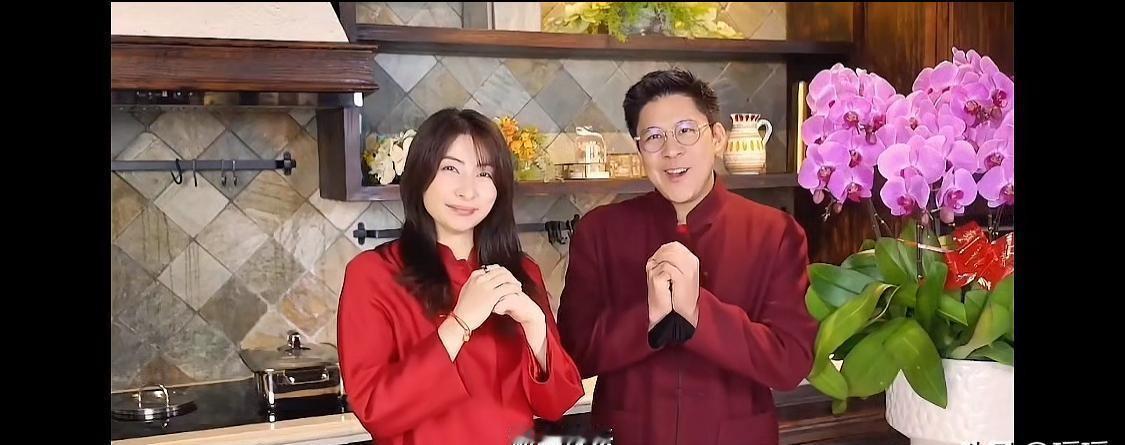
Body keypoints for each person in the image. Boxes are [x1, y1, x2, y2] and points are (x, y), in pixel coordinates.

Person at [556, 69, 819, 445]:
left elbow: (789, 362)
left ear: (717, 138)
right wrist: (648, 315)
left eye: (686, 131)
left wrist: (698, 311)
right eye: (653, 137)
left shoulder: (774, 232)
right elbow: (573, 354)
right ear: (639, 150)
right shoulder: (600, 231)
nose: (671, 150)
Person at [337, 108, 584, 445]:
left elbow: (557, 403)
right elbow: (375, 410)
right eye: (450, 168)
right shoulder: (374, 274)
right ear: (420, 175)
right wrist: (461, 322)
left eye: (484, 173)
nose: (468, 191)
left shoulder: (522, 272)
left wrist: (535, 325)